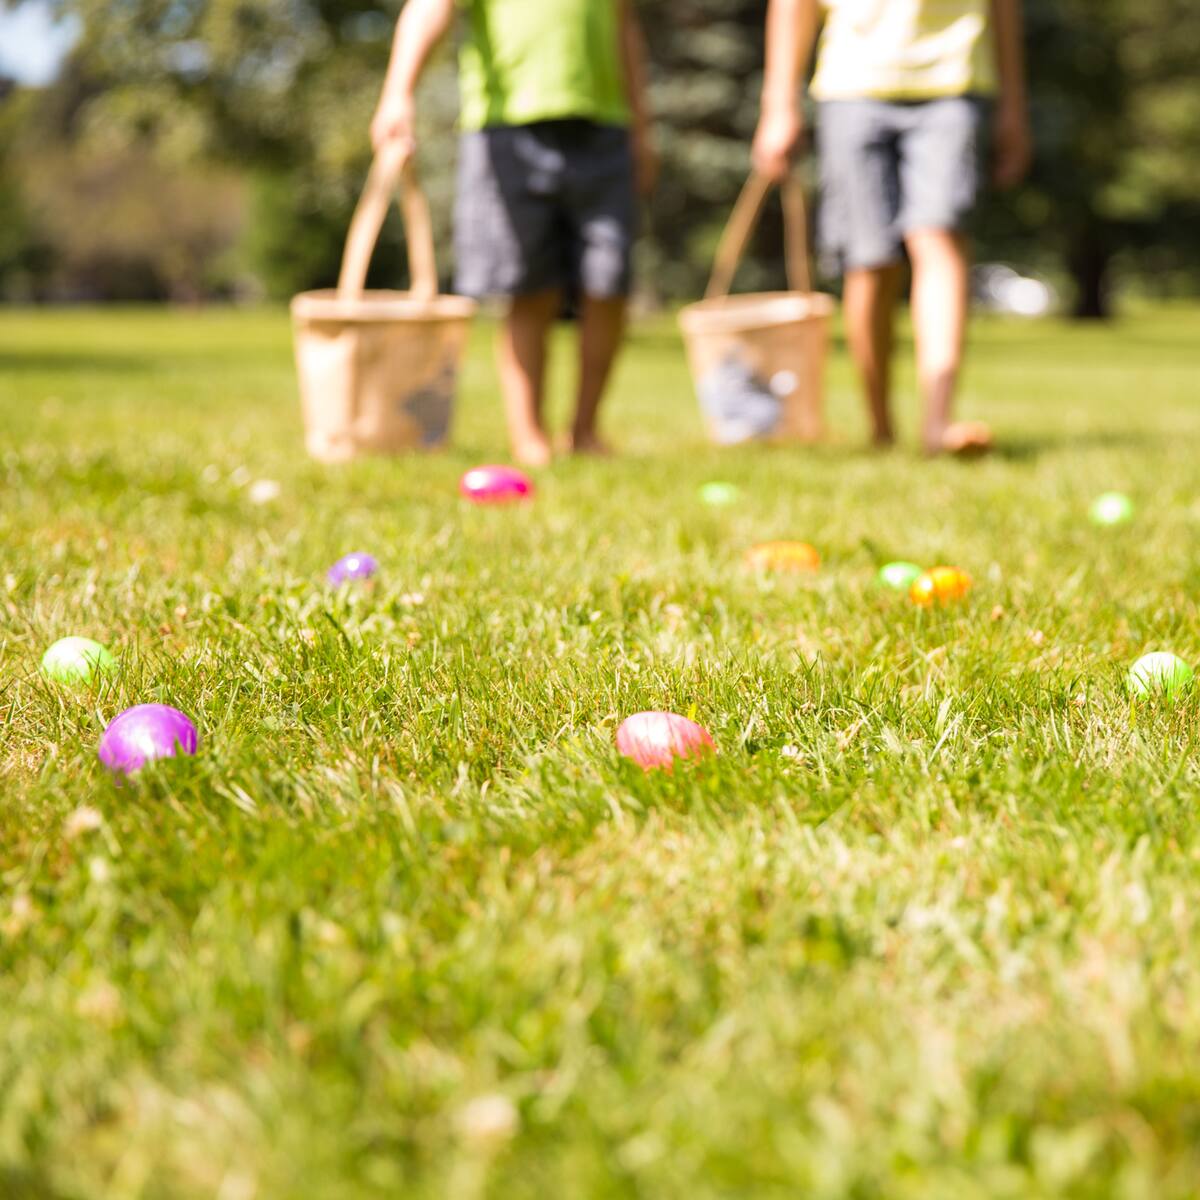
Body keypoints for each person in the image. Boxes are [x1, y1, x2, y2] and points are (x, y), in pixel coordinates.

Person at [371, 0, 655, 465]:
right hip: (507, 127)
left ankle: (585, 430)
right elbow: (430, 7)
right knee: (525, 284)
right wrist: (399, 91)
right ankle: (530, 436)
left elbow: (624, 29)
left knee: (609, 280)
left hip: (605, 128)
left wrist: (642, 126)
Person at [752, 0, 1032, 454]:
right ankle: (880, 424)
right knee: (870, 262)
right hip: (852, 83)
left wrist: (1013, 107)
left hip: (953, 80)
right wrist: (779, 104)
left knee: (939, 236)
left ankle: (937, 423)